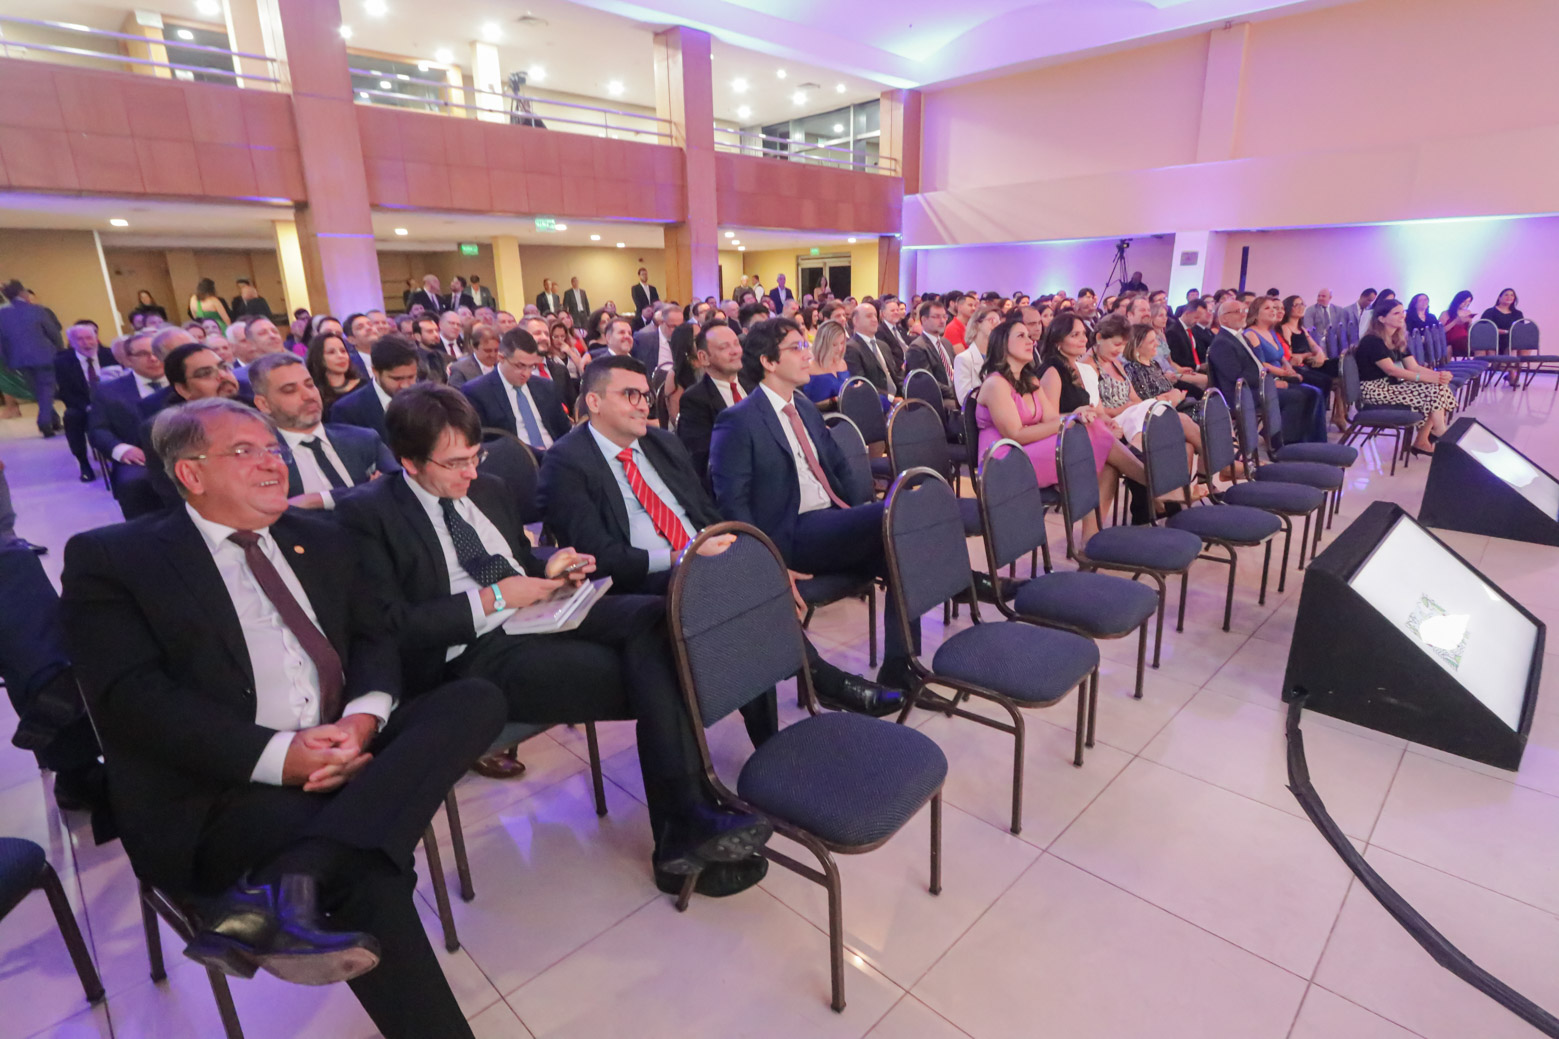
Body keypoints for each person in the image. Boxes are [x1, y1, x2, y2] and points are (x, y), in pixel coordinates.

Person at [62, 397, 506, 1039]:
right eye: (244, 451)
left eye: (273, 448)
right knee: (369, 879)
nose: (273, 462)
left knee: (476, 698)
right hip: (225, 789)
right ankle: (311, 875)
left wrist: (361, 721)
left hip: (348, 749)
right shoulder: (117, 559)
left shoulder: (322, 538)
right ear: (190, 473)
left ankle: (288, 879)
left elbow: (374, 637)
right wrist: (281, 758)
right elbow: (133, 701)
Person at [336, 383, 774, 892]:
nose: (471, 473)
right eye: (455, 464)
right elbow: (390, 625)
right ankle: (685, 828)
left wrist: (552, 565)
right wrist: (495, 599)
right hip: (474, 651)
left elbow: (519, 560)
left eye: (475, 457)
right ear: (409, 461)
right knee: (662, 670)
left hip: (537, 611)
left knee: (663, 619)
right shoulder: (371, 514)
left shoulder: (488, 488)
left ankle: (687, 827)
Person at [539, 354, 899, 716]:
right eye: (630, 395)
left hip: (705, 556)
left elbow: (707, 512)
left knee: (747, 576)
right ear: (594, 401)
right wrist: (683, 555)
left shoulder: (661, 443)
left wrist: (757, 558)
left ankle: (831, 687)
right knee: (738, 589)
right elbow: (599, 555)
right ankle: (823, 683)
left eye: (645, 396)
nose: (643, 406)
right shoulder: (566, 462)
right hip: (643, 577)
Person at [708, 317, 921, 690]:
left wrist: (859, 514)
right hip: (793, 534)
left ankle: (901, 667)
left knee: (903, 550)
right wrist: (767, 564)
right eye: (797, 348)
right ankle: (969, 582)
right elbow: (732, 503)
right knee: (900, 511)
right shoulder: (738, 421)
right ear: (769, 362)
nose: (808, 355)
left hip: (832, 523)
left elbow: (839, 466)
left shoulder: (804, 407)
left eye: (805, 346)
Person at [247, 353, 396, 509]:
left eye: (310, 385)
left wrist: (318, 499)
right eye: (290, 390)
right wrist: (365, 490)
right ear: (264, 404)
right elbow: (277, 511)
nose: (308, 395)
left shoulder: (363, 439)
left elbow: (398, 485)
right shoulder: (261, 460)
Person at [1038, 312, 1143, 532]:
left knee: (1110, 467)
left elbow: (1092, 409)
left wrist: (1105, 420)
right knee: (1099, 435)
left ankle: (1090, 538)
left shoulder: (1077, 368)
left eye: (1083, 334)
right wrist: (1077, 415)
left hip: (1082, 437)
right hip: (1061, 443)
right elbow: (1049, 419)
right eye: (1074, 335)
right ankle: (1152, 481)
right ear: (1058, 341)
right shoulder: (1053, 371)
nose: (1083, 339)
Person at [1356, 299, 1456, 455]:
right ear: (1382, 319)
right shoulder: (1372, 341)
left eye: (1402, 312)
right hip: (1374, 389)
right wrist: (1431, 379)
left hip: (1391, 385)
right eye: (1396, 313)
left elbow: (1414, 367)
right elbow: (1392, 370)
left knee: (1438, 387)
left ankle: (1428, 437)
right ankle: (1438, 432)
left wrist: (1439, 376)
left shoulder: (1397, 339)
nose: (1402, 316)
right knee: (1433, 390)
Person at [976, 316, 1066, 486]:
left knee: (1091, 430)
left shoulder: (1031, 381)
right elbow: (1015, 434)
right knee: (1079, 442)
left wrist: (1078, 416)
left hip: (1027, 449)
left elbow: (1052, 419)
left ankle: (1093, 498)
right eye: (1020, 336)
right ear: (1003, 344)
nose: (1030, 341)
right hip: (1002, 460)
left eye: (1029, 337)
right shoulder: (995, 384)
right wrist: (1066, 423)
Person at [460, 327, 570, 454]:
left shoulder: (546, 387)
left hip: (554, 456)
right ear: (501, 358)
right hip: (514, 458)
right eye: (520, 366)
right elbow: (481, 442)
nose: (526, 373)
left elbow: (565, 431)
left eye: (532, 366)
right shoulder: (477, 392)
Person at [675, 322, 752, 480]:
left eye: (736, 344)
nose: (735, 351)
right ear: (704, 357)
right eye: (724, 347)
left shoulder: (755, 385)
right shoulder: (695, 400)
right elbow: (702, 459)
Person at [1244, 295, 1324, 444]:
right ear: (1256, 313)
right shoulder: (1251, 334)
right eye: (1268, 308)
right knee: (1302, 395)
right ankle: (1284, 439)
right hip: (1268, 378)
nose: (1273, 311)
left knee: (1315, 392)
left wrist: (1289, 368)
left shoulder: (1271, 332)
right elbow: (1260, 363)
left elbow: (1281, 356)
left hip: (1281, 374)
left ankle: (1312, 439)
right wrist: (1284, 373)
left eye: (1274, 308)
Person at [0, 279, 64, 437]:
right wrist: (60, 350)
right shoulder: (37, 310)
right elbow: (53, 333)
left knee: (38, 389)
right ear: (23, 293)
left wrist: (6, 360)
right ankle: (44, 421)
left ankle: (54, 419)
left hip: (18, 359)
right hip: (43, 355)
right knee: (47, 388)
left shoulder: (2, 314)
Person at [330, 335, 422, 442]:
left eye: (411, 377)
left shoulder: (427, 400)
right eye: (397, 379)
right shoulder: (347, 411)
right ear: (375, 371)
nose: (405, 385)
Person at [55, 322, 117, 481]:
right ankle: (83, 462)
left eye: (89, 338)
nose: (86, 343)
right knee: (71, 417)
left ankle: (118, 456)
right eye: (80, 339)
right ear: (72, 343)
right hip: (83, 406)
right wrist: (87, 407)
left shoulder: (110, 355)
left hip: (111, 403)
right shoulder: (63, 362)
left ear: (96, 338)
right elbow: (66, 392)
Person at [1280, 295, 1343, 431]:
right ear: (1289, 308)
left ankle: (1340, 412)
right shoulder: (1285, 328)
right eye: (1297, 305)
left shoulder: (1302, 329)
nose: (1301, 307)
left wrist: (1319, 353)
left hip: (1310, 361)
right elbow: (1290, 355)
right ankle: (1319, 415)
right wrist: (1309, 355)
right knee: (1325, 380)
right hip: (1300, 364)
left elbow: (1314, 346)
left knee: (1340, 365)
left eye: (1302, 304)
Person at [844, 301, 902, 397]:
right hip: (875, 400)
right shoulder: (851, 348)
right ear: (856, 321)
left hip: (898, 396)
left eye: (875, 315)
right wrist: (891, 399)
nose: (875, 320)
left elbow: (895, 376)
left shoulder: (883, 346)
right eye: (869, 316)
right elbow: (861, 383)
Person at [952, 304, 1001, 403]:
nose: (996, 325)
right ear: (978, 324)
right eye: (992, 320)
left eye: (998, 322)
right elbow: (964, 399)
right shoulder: (964, 358)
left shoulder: (1001, 356)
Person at [306, 332, 363, 416]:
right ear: (318, 357)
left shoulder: (363, 386)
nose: (340, 356)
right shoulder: (314, 394)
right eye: (331, 352)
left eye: (343, 351)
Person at [1480, 288, 1524, 377]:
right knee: (1511, 345)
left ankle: (1513, 373)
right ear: (1499, 298)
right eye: (1506, 295)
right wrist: (1505, 331)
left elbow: (1520, 329)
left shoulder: (1518, 314)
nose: (1509, 297)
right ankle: (1505, 368)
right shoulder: (1490, 312)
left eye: (1512, 295)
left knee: (1520, 346)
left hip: (1510, 341)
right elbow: (1484, 328)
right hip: (1493, 340)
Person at [447, 324, 501, 388]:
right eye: (488, 351)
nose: (493, 354)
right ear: (474, 348)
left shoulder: (502, 366)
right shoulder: (460, 369)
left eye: (496, 350)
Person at [1441, 290, 1476, 357]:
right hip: (1452, 339)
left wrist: (1469, 323)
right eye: (1464, 301)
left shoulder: (1468, 312)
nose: (1466, 304)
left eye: (1468, 302)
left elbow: (1469, 330)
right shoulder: (1446, 313)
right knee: (1472, 344)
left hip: (1465, 338)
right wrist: (1455, 321)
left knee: (1480, 343)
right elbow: (1441, 330)